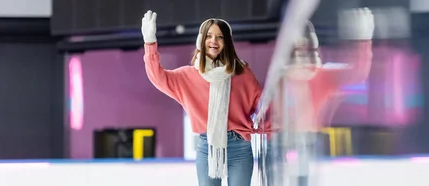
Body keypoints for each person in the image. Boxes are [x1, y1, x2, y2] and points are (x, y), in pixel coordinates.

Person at [140, 10, 271, 186]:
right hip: (207, 146)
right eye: (209, 36)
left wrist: (271, 130)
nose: (213, 41)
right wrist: (150, 43)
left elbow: (262, 106)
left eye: (220, 37)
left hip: (239, 146)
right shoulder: (188, 76)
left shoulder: (242, 72)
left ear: (228, 42)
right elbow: (157, 76)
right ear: (201, 40)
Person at [258, 7, 375, 186]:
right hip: (277, 142)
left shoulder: (320, 76)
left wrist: (362, 40)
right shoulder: (277, 78)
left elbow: (356, 73)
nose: (299, 55)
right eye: (294, 50)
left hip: (307, 141)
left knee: (303, 178)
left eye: (303, 49)